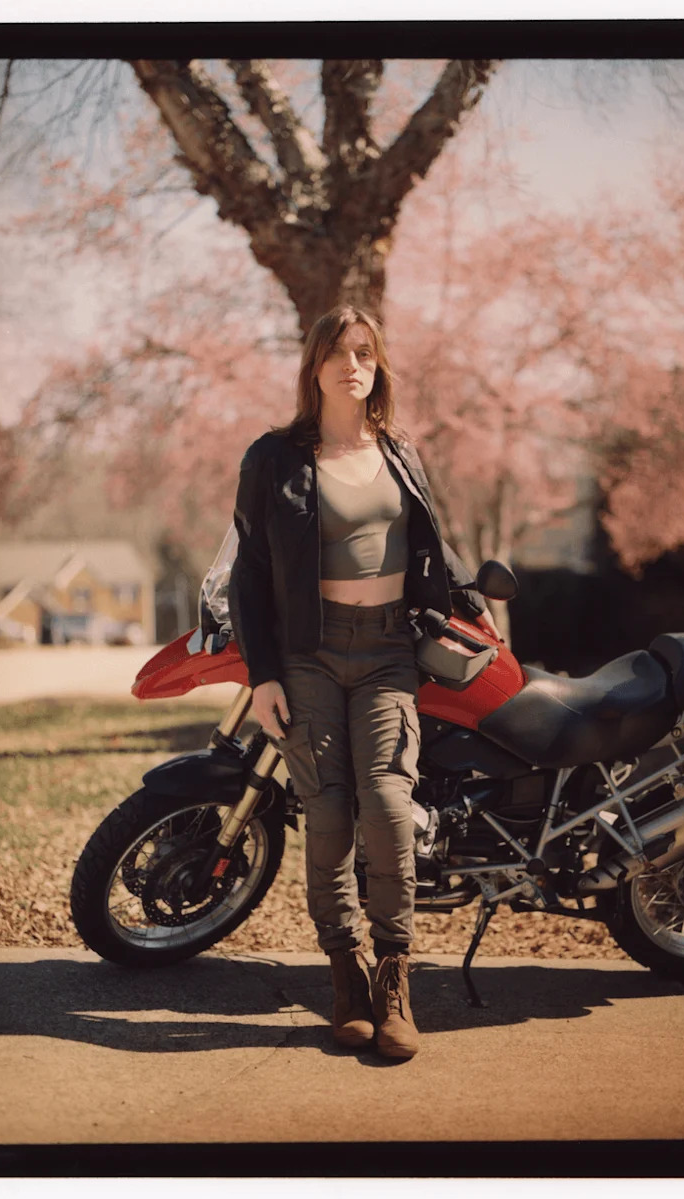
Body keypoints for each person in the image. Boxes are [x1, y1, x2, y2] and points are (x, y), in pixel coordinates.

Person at [228, 305, 489, 1059]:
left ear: (378, 368)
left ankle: (394, 974)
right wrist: (264, 674)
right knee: (330, 810)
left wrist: (472, 605)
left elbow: (433, 547)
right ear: (314, 368)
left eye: (365, 354)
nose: (352, 365)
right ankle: (344, 973)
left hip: (387, 653)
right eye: (338, 353)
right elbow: (249, 570)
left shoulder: (401, 452)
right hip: (309, 653)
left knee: (386, 802)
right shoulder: (274, 458)